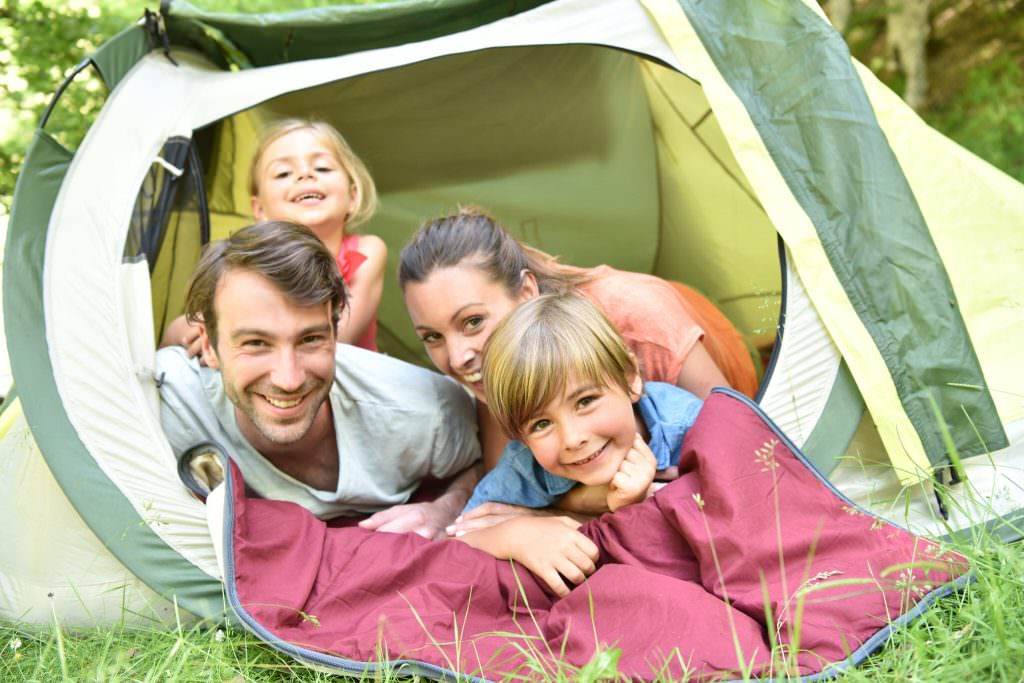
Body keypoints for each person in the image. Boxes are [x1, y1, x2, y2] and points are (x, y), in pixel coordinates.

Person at [157, 221, 481, 537]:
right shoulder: (164, 400)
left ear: (335, 332)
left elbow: (490, 463)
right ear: (209, 346)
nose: (288, 379)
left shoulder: (425, 412)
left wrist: (448, 506)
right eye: (256, 343)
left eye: (310, 339)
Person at [398, 207, 755, 489]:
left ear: (526, 293)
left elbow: (740, 443)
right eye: (432, 337)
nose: (458, 357)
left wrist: (577, 505)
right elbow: (504, 480)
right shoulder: (494, 358)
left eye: (473, 321)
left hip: (717, 335)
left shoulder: (638, 318)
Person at [452, 293, 702, 595]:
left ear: (630, 378)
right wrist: (515, 535)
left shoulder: (686, 424)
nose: (572, 438)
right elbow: (455, 540)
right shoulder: (525, 466)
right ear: (521, 437)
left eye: (585, 402)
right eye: (541, 424)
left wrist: (631, 509)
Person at [162, 119, 386, 353]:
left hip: (343, 376)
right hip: (271, 370)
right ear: (260, 210)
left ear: (352, 196)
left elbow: (334, 341)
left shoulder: (367, 250)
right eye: (283, 173)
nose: (305, 175)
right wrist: (203, 331)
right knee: (182, 329)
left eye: (322, 168)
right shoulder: (252, 265)